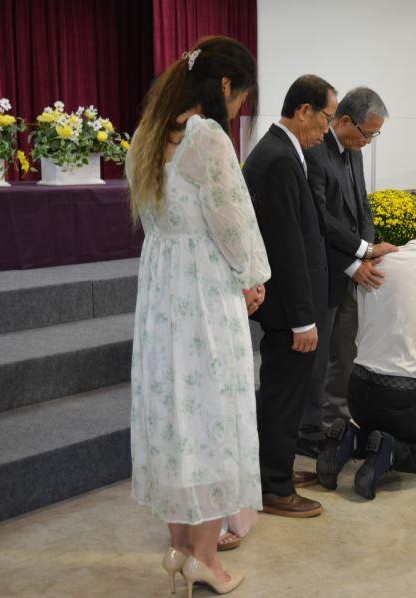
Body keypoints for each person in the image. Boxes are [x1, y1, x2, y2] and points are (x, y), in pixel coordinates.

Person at [127, 36, 268, 596]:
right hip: (205, 295)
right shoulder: (207, 137)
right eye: (241, 98)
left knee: (172, 417)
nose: (237, 109)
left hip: (161, 296)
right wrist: (252, 276)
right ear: (226, 84)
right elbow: (233, 221)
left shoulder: (147, 134)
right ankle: (205, 558)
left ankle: (179, 549)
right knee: (213, 417)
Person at [316, 213, 416, 500]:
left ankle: (351, 438)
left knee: (393, 428)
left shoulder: (380, 259)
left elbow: (361, 328)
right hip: (401, 398)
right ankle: (391, 453)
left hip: (358, 391)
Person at [243, 74, 336, 518]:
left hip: (289, 305)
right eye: (326, 119)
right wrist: (303, 318)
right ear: (304, 111)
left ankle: (274, 470)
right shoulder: (278, 157)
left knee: (285, 396)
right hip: (288, 310)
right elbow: (286, 245)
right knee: (282, 398)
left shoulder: (282, 151)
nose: (327, 130)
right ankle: (273, 487)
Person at [298, 86, 397, 457]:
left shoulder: (353, 152)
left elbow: (361, 207)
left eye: (375, 135)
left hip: (355, 268)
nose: (369, 142)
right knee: (318, 358)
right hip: (326, 271)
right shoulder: (315, 151)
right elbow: (318, 220)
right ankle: (309, 429)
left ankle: (336, 423)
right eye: (367, 133)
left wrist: (368, 251)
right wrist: (357, 257)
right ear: (343, 121)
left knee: (345, 353)